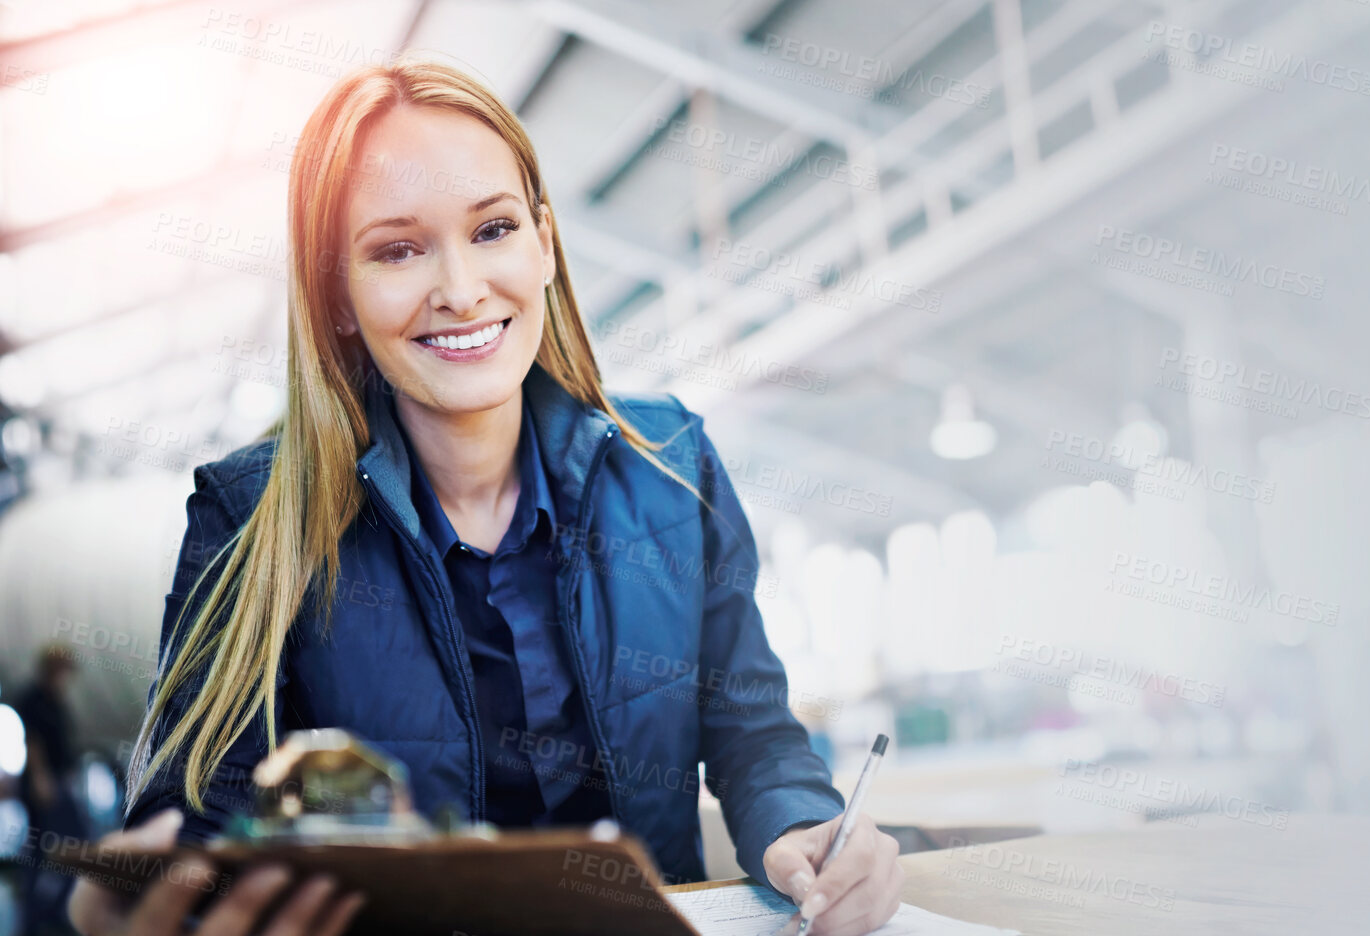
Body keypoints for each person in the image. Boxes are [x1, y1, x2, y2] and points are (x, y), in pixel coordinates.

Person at [68, 59, 902, 936]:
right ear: (336, 295)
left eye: (493, 229)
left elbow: (751, 732)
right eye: (397, 249)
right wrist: (161, 901)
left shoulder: (673, 466)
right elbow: (200, 820)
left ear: (544, 242)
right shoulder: (251, 522)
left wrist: (806, 827)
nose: (461, 290)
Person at [13, 644, 89, 935]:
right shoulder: (34, 700)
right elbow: (32, 742)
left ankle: (54, 907)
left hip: (56, 782)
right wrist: (40, 778)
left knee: (56, 845)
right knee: (59, 844)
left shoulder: (55, 699)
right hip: (44, 785)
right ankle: (41, 911)